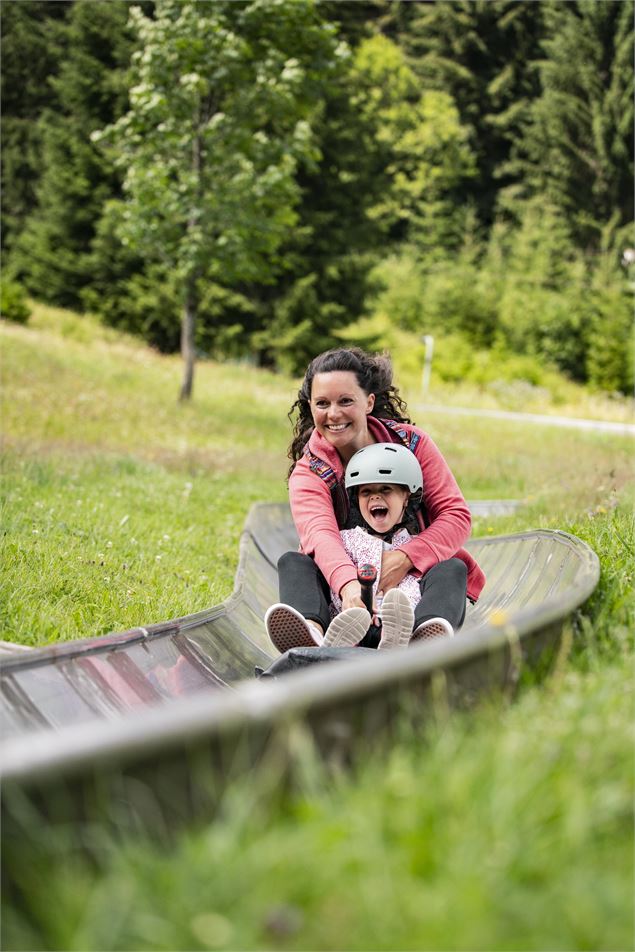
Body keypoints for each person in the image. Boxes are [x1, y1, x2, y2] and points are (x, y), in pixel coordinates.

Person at [264, 346, 485, 654]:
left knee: (453, 568)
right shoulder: (309, 471)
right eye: (322, 404)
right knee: (295, 562)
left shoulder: (412, 444)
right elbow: (319, 535)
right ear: (311, 407)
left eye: (345, 401)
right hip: (342, 598)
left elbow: (455, 514)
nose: (334, 414)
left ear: (368, 402)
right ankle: (312, 633)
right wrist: (348, 587)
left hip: (408, 589)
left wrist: (406, 557)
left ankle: (422, 634)